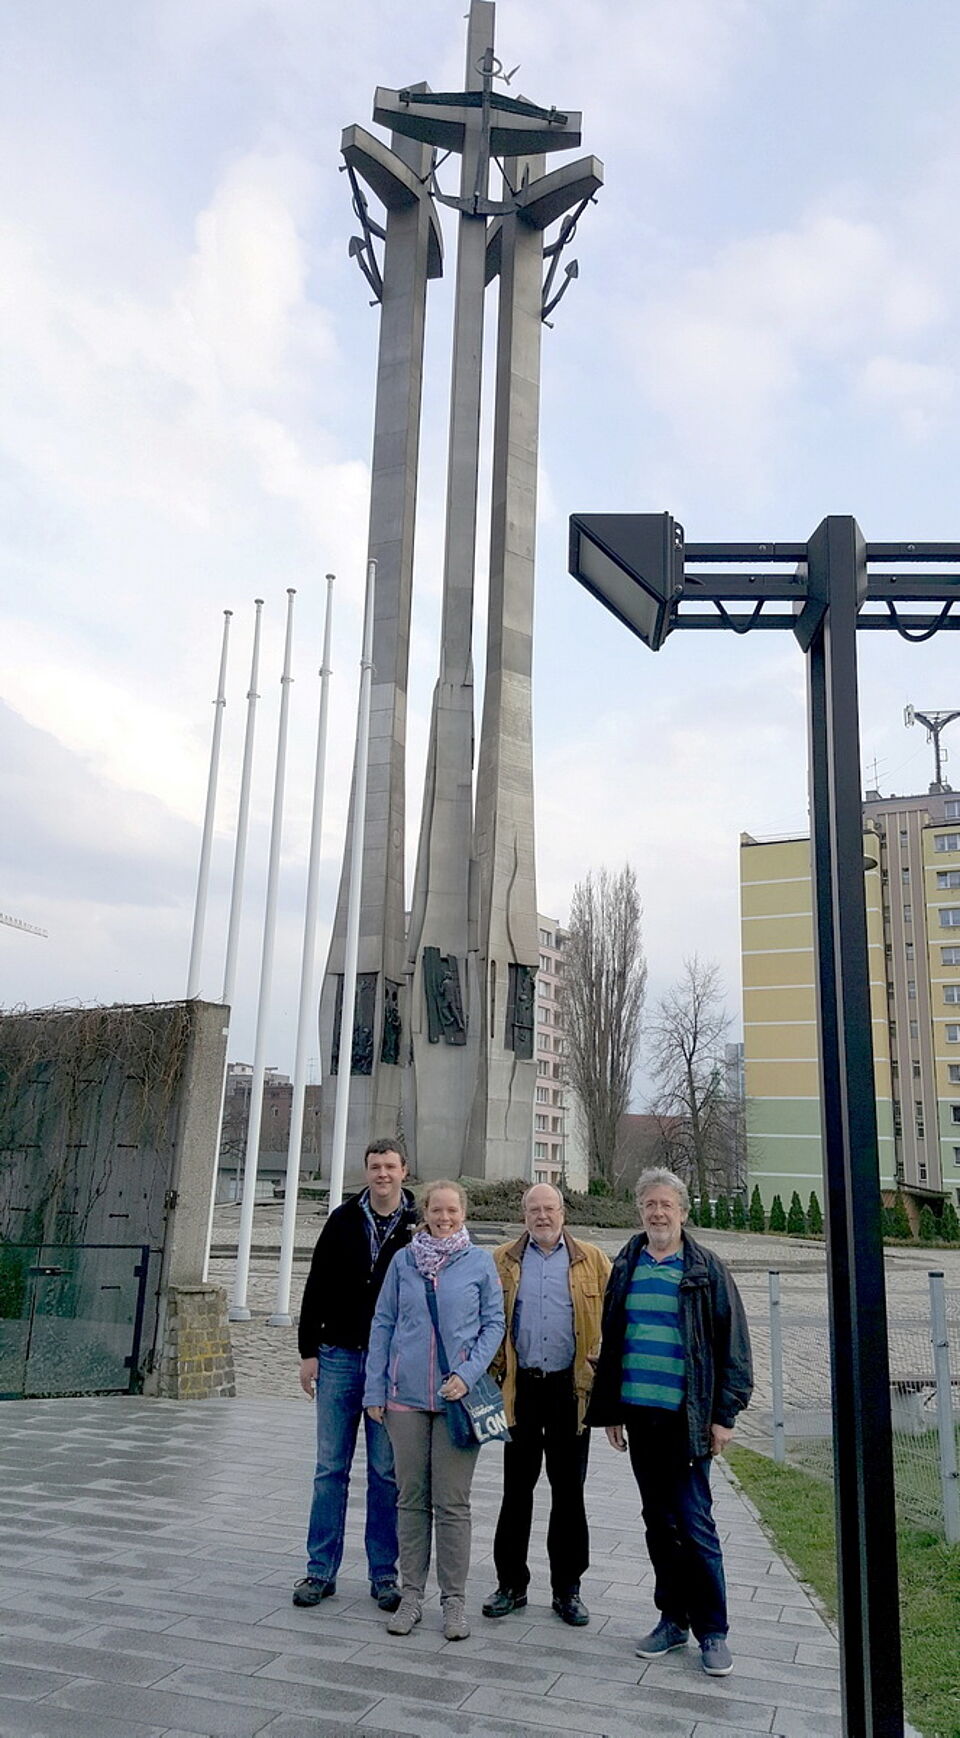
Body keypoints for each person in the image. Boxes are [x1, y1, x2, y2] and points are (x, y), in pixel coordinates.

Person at [587, 1167, 753, 1678]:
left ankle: (713, 1631)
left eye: (666, 1205)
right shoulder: (628, 1263)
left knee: (695, 1523)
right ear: (640, 1211)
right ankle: (672, 1619)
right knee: (658, 1522)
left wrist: (723, 1416)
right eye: (649, 1205)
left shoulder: (705, 1269)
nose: (658, 1213)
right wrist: (612, 1410)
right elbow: (615, 1339)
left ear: (682, 1211)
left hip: (688, 1419)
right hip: (641, 1416)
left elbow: (734, 1346)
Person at [364, 1179, 505, 1641]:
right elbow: (383, 1323)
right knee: (409, 1499)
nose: (444, 1218)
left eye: (452, 1211)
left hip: (456, 1399)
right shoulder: (404, 1261)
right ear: (424, 1212)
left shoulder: (479, 1262)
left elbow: (494, 1324)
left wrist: (467, 1372)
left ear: (464, 1213)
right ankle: (411, 1596)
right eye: (437, 1210)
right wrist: (375, 1389)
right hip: (404, 1398)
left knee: (452, 1504)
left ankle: (454, 1601)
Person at [293, 1139, 418, 1612]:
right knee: (330, 1469)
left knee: (386, 1473)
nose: (382, 1174)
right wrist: (309, 1351)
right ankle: (320, 1570)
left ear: (404, 1170)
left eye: (390, 1166)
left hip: (390, 1365)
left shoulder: (417, 1224)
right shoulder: (343, 1219)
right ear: (366, 1171)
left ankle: (384, 1574)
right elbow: (316, 1285)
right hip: (340, 1356)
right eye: (374, 1166)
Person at [483, 1183, 611, 1627]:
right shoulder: (502, 1260)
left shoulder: (592, 1260)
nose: (542, 1216)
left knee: (569, 1493)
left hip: (569, 1391)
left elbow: (616, 1319)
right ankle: (510, 1585)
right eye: (534, 1209)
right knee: (516, 1490)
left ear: (563, 1212)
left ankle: (567, 1589)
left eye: (550, 1208)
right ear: (524, 1215)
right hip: (520, 1390)